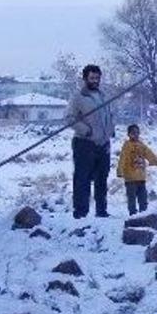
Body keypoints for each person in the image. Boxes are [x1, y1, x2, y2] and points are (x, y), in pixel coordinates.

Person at [64, 64, 115, 218]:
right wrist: (86, 130)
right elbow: (69, 118)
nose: (95, 80)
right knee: (82, 179)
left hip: (103, 144)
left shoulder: (103, 96)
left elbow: (109, 115)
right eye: (92, 78)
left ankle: (101, 211)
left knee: (102, 179)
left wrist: (110, 131)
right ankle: (80, 213)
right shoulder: (78, 97)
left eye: (97, 78)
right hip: (85, 144)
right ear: (85, 78)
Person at [115, 123, 157, 216]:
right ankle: (133, 216)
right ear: (128, 134)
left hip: (141, 177)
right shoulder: (127, 145)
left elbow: (150, 155)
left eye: (137, 132)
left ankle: (144, 215)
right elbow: (122, 158)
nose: (136, 134)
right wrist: (120, 171)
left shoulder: (141, 145)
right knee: (132, 199)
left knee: (143, 199)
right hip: (130, 178)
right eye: (133, 133)